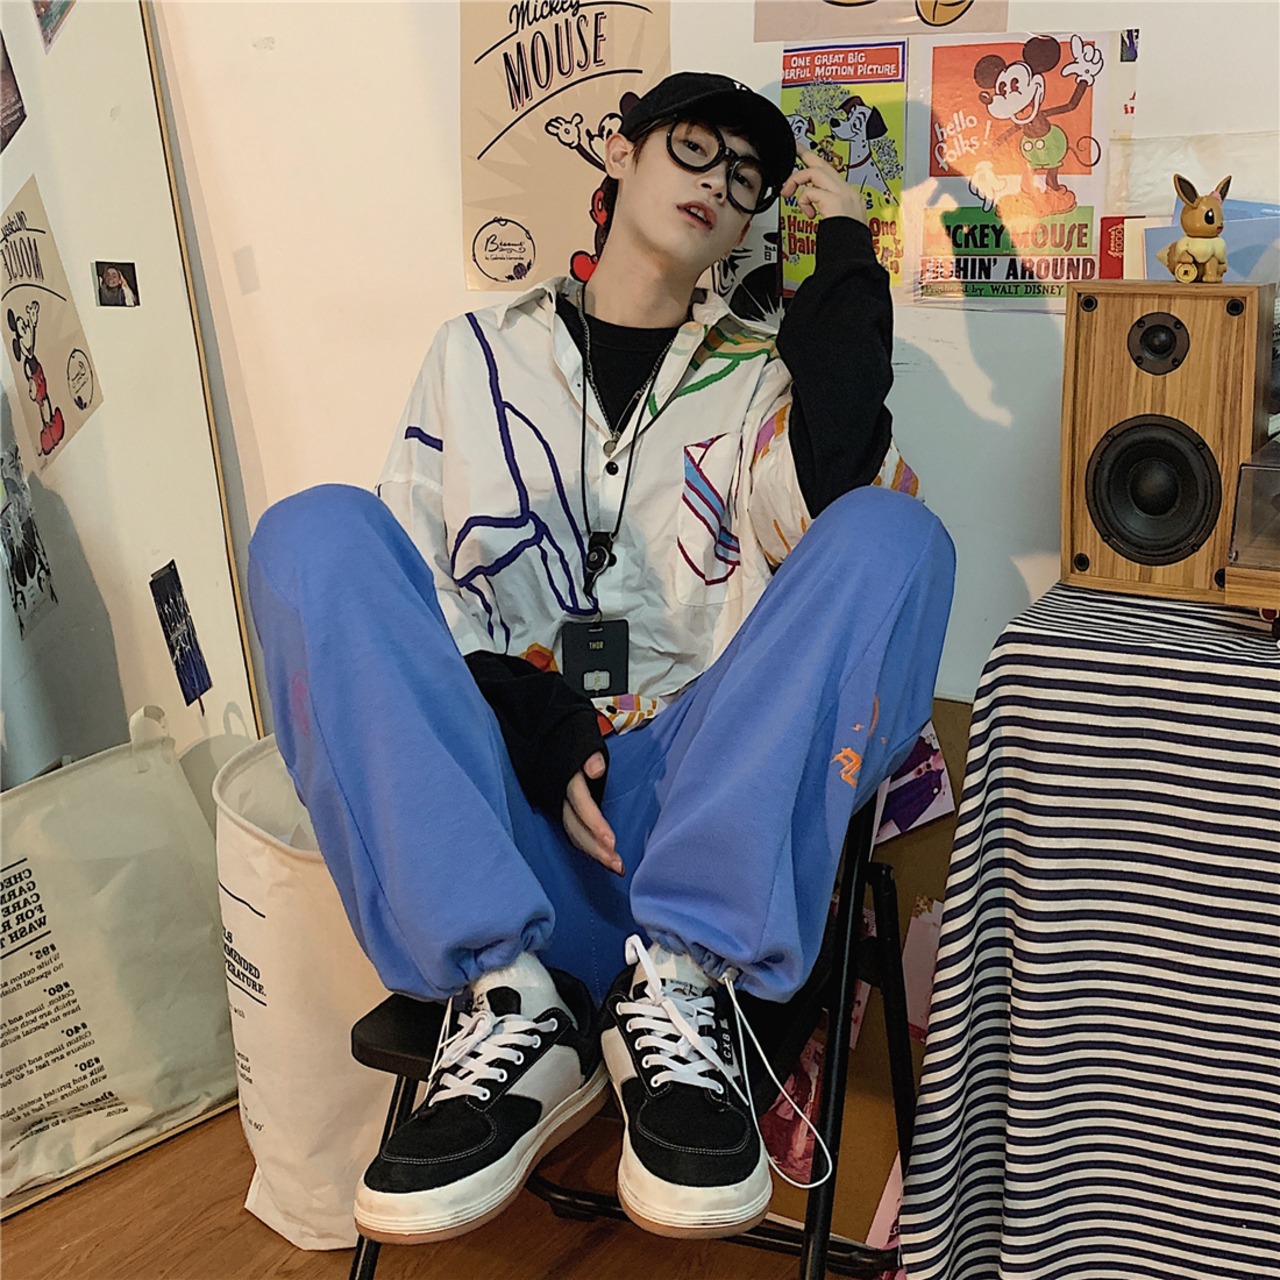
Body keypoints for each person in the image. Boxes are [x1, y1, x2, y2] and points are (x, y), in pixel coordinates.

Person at [247, 72, 955, 1247]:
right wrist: (525, 705)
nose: (719, 183)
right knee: (310, 532)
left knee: (896, 535)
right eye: (694, 148)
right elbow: (407, 593)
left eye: (746, 179)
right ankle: (507, 1003)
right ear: (620, 154)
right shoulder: (473, 353)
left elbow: (833, 492)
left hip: (698, 827)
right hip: (493, 833)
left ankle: (679, 986)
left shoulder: (757, 377)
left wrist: (842, 254)